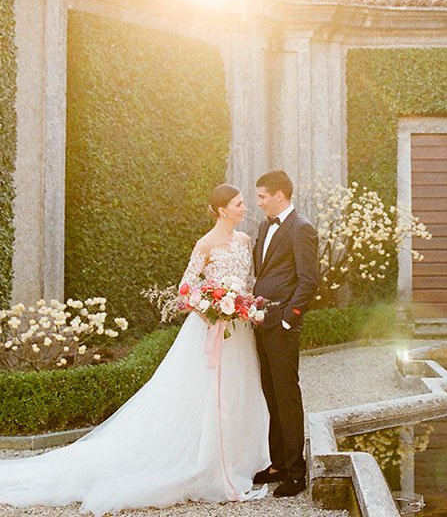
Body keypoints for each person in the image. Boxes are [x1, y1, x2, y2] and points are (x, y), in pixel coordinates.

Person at [0, 184, 271, 516]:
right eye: (239, 203)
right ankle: (208, 461)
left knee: (239, 390)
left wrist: (241, 306)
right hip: (211, 330)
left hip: (240, 331)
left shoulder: (245, 241)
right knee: (206, 393)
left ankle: (243, 457)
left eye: (245, 202)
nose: (245, 208)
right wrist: (214, 309)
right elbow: (187, 289)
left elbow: (249, 282)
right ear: (221, 210)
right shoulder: (205, 244)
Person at [252, 170, 320, 498]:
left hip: (281, 326)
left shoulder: (301, 228)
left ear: (280, 195)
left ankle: (296, 471)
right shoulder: (265, 226)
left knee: (287, 397)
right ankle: (278, 463)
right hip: (261, 323)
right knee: (271, 393)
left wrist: (288, 319)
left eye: (263, 196)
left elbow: (309, 281)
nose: (259, 202)